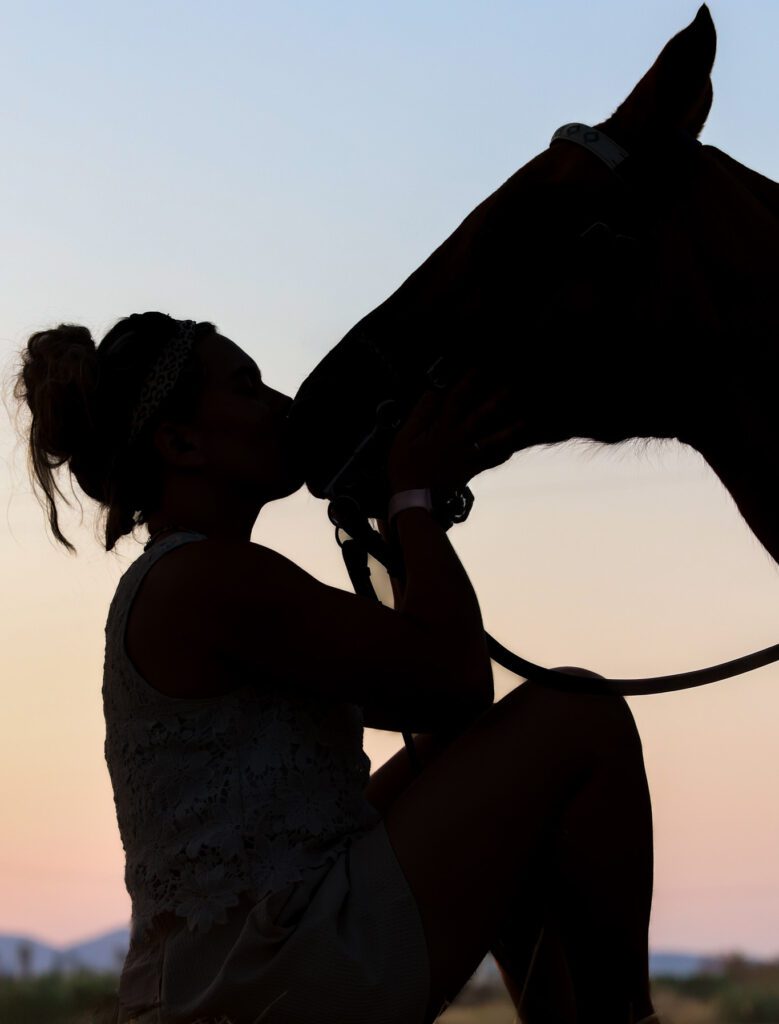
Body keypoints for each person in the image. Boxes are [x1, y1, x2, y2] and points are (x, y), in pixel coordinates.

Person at [13, 311, 659, 1024]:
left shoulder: (189, 577)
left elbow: (439, 704)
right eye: (248, 388)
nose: (283, 407)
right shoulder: (208, 577)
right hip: (274, 966)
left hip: (240, 961)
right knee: (578, 717)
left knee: (461, 756)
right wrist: (411, 500)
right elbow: (452, 682)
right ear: (181, 442)